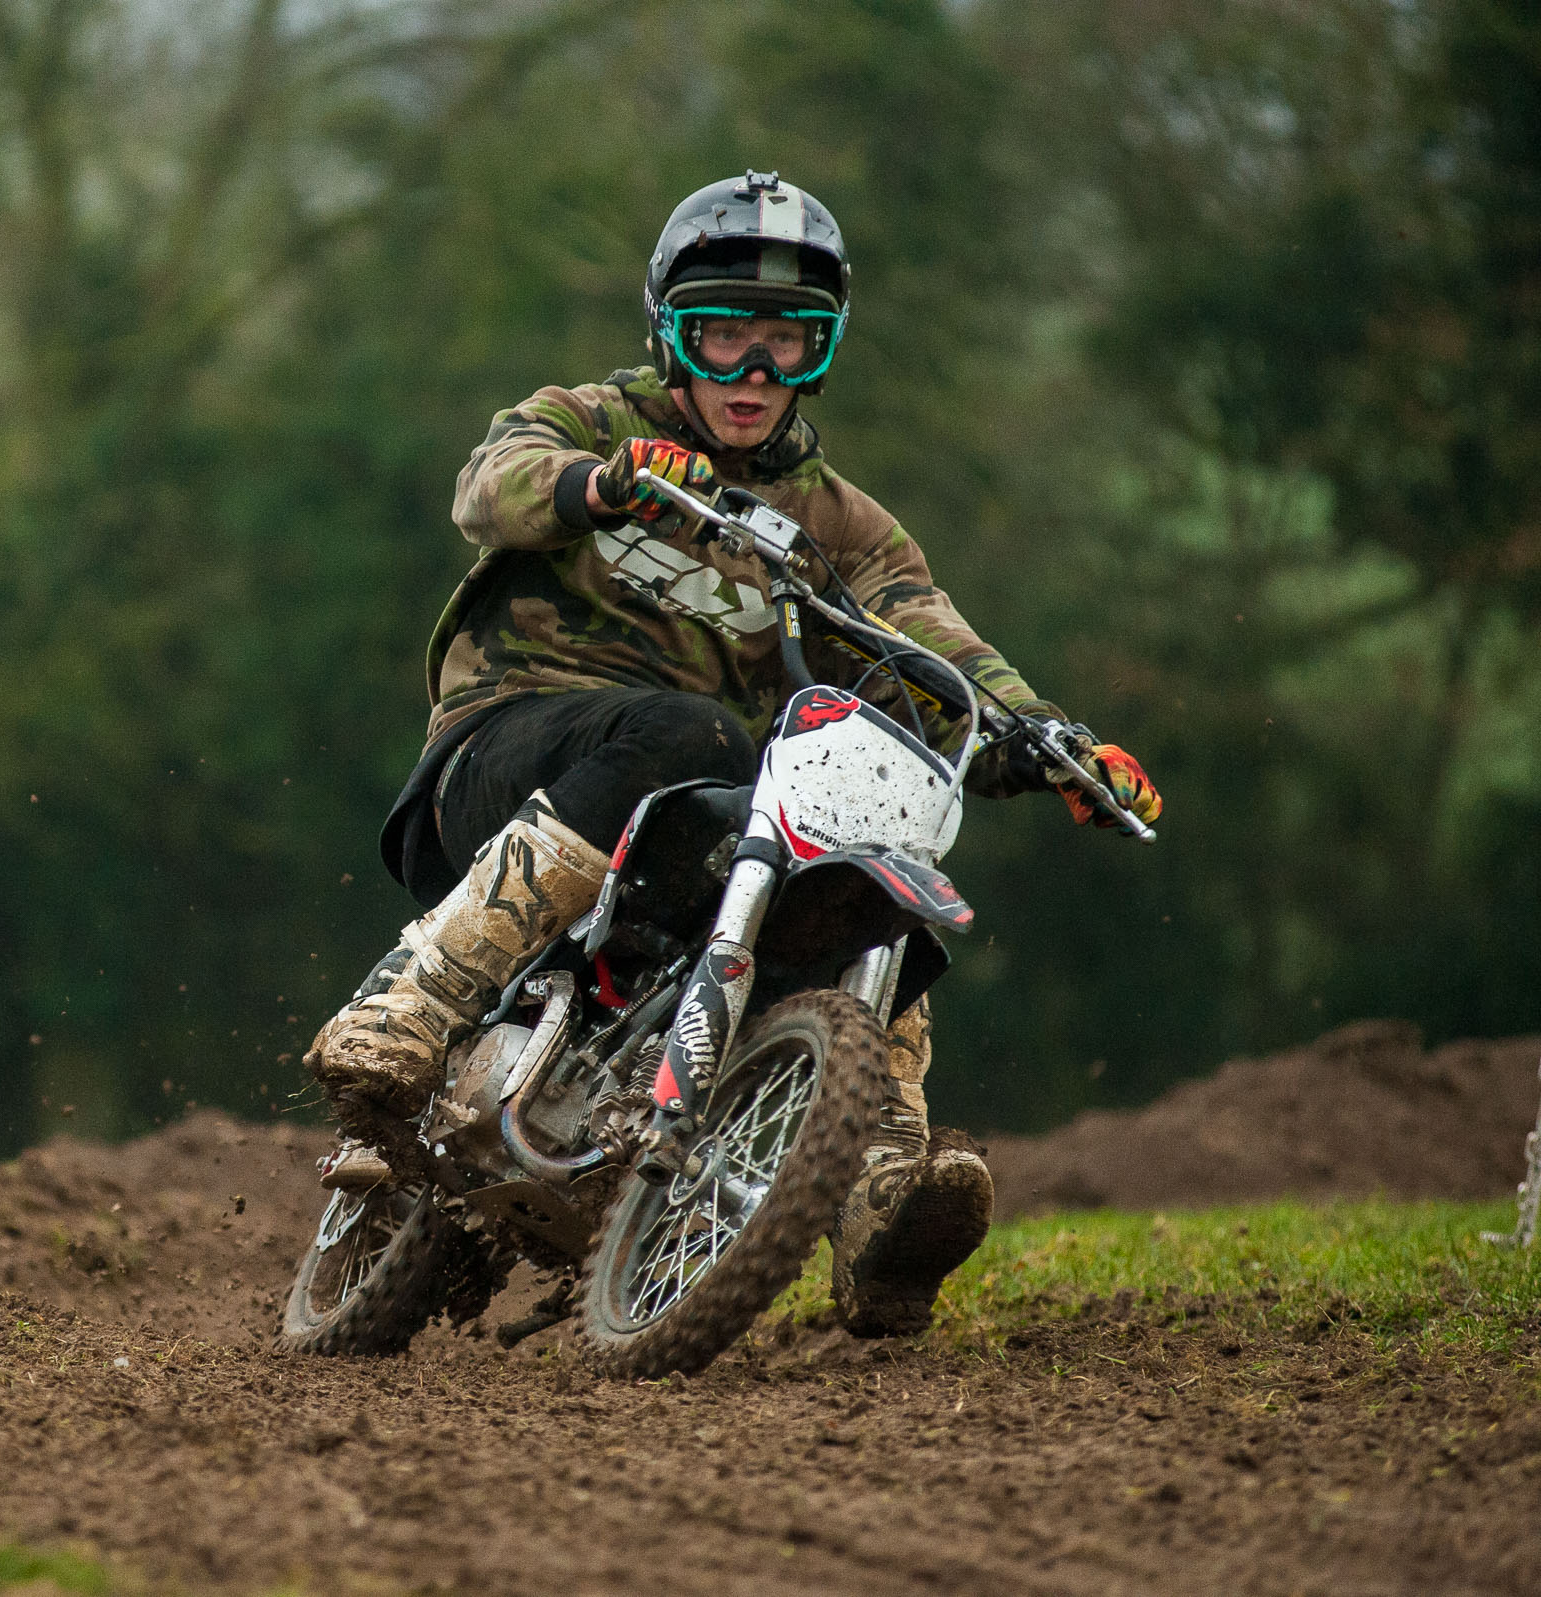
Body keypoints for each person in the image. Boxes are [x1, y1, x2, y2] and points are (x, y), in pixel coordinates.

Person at [303, 172, 1162, 1337]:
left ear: (821, 350)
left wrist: (1050, 740)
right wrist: (602, 485)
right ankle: (413, 1001)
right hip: (507, 752)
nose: (753, 372)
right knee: (692, 731)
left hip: (692, 812)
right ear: (672, 332)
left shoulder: (841, 525)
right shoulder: (594, 420)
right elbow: (487, 488)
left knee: (874, 845)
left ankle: (878, 1195)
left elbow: (935, 645)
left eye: (785, 342)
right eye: (723, 336)